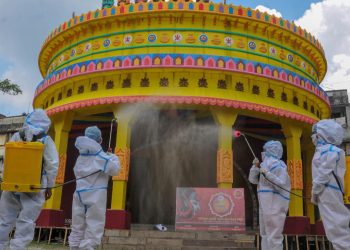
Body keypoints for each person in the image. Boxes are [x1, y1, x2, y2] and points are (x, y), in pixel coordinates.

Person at [0, 109, 59, 250]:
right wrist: (50, 186)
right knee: (26, 221)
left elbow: (7, 158)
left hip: (12, 183)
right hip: (34, 186)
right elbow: (52, 165)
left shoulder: (15, 136)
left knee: (5, 219)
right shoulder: (46, 140)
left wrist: (4, 178)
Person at [69, 126, 120, 250]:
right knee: (94, 227)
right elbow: (115, 169)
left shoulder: (80, 157)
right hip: (95, 197)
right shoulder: (100, 157)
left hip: (79, 195)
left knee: (77, 227)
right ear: (100, 140)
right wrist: (112, 156)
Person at [311, 119, 350, 250]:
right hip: (326, 191)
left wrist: (315, 190)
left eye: (314, 133)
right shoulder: (325, 150)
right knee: (334, 229)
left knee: (337, 228)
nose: (312, 136)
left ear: (322, 134)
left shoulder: (330, 150)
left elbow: (324, 171)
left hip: (328, 190)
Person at [248, 140, 290, 250]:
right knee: (265, 234)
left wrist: (266, 173)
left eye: (265, 150)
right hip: (264, 204)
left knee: (274, 235)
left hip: (275, 205)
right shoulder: (264, 164)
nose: (263, 152)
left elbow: (280, 183)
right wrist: (255, 168)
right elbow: (253, 180)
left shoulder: (279, 166)